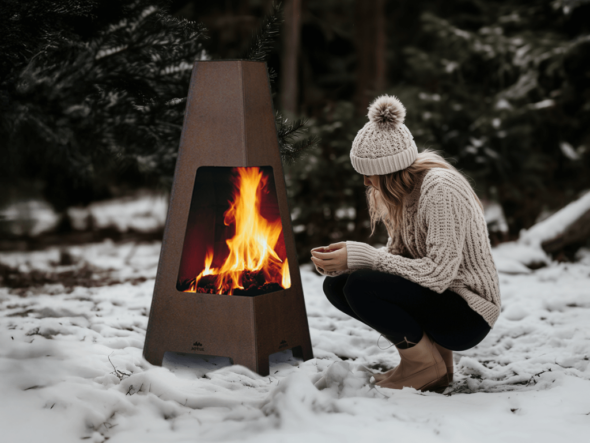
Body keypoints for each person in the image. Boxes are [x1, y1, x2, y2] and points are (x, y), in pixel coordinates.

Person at [310, 95, 501, 393]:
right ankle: (431, 362)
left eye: (368, 173)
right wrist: (347, 261)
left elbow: (438, 273)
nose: (365, 182)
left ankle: (425, 366)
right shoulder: (403, 194)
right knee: (339, 285)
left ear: (388, 169)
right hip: (442, 301)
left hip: (468, 313)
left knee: (360, 284)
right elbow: (400, 260)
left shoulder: (440, 188)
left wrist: (367, 258)